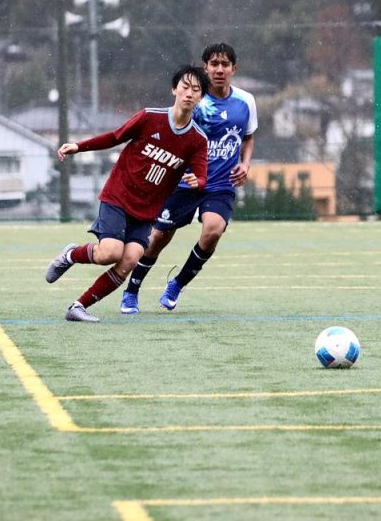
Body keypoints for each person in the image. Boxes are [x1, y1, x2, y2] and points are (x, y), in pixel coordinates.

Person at [44, 65, 210, 322]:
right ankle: (70, 254)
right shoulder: (149, 117)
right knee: (110, 252)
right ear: (174, 89)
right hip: (118, 197)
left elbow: (201, 175)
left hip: (146, 212)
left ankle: (78, 307)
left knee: (131, 259)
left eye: (196, 90)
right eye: (185, 87)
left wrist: (196, 180)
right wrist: (79, 146)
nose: (189, 93)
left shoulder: (197, 140)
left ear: (201, 98)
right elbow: (115, 137)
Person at [119, 42, 257, 314]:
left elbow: (248, 136)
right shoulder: (195, 100)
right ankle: (132, 289)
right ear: (204, 68)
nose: (219, 70)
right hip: (184, 182)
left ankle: (177, 285)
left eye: (225, 65)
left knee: (213, 230)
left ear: (234, 69)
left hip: (220, 184)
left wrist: (246, 163)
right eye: (214, 64)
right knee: (158, 237)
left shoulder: (246, 101)